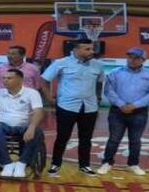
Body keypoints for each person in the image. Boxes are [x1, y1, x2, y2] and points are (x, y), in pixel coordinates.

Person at [41, 38, 105, 176]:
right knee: (62, 137)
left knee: (86, 138)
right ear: (76, 50)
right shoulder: (61, 63)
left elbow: (99, 82)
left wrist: (98, 97)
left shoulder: (98, 65)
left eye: (92, 48)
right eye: (87, 49)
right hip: (66, 107)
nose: (91, 51)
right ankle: (55, 164)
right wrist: (49, 99)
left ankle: (84, 166)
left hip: (90, 108)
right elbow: (43, 80)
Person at [98, 47, 149, 176]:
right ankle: (107, 163)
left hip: (139, 112)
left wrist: (135, 105)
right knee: (114, 139)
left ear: (143, 60)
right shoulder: (115, 72)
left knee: (135, 140)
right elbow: (108, 91)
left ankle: (133, 164)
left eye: (136, 58)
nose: (132, 60)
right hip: (117, 111)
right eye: (130, 57)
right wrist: (121, 104)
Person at [0, 69, 45, 178]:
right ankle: (6, 163)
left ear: (20, 80)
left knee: (36, 131)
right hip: (3, 125)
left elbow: (39, 112)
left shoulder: (32, 93)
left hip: (23, 126)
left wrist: (31, 128)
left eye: (9, 78)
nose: (5, 80)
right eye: (4, 78)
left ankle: (21, 164)